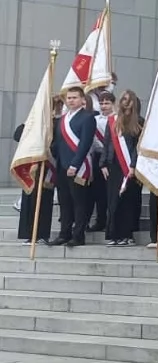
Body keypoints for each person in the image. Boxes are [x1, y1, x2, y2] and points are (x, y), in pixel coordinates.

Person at [50, 86, 96, 247]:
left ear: (82, 99)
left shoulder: (88, 117)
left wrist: (75, 165)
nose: (71, 100)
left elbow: (85, 144)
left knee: (79, 202)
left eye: (74, 97)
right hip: (62, 166)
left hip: (79, 166)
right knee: (65, 201)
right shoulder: (63, 119)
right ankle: (64, 233)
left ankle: (78, 236)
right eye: (68, 98)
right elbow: (58, 143)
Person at [101, 90, 144, 246]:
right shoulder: (113, 120)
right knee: (113, 200)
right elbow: (107, 143)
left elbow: (137, 147)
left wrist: (133, 165)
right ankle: (114, 234)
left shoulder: (139, 121)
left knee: (128, 200)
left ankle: (127, 234)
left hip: (130, 167)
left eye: (129, 99)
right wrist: (103, 163)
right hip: (114, 165)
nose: (126, 102)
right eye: (123, 99)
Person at [15, 114, 54, 246]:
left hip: (46, 167)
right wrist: (28, 122)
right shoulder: (32, 123)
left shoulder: (54, 122)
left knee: (44, 201)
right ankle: (29, 234)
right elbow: (17, 135)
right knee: (29, 201)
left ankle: (42, 234)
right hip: (30, 167)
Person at [87, 91, 115, 233]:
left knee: (110, 191)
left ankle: (111, 221)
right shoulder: (95, 119)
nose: (104, 106)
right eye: (102, 103)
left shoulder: (116, 119)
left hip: (112, 159)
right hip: (97, 157)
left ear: (113, 104)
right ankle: (100, 220)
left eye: (107, 103)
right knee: (98, 191)